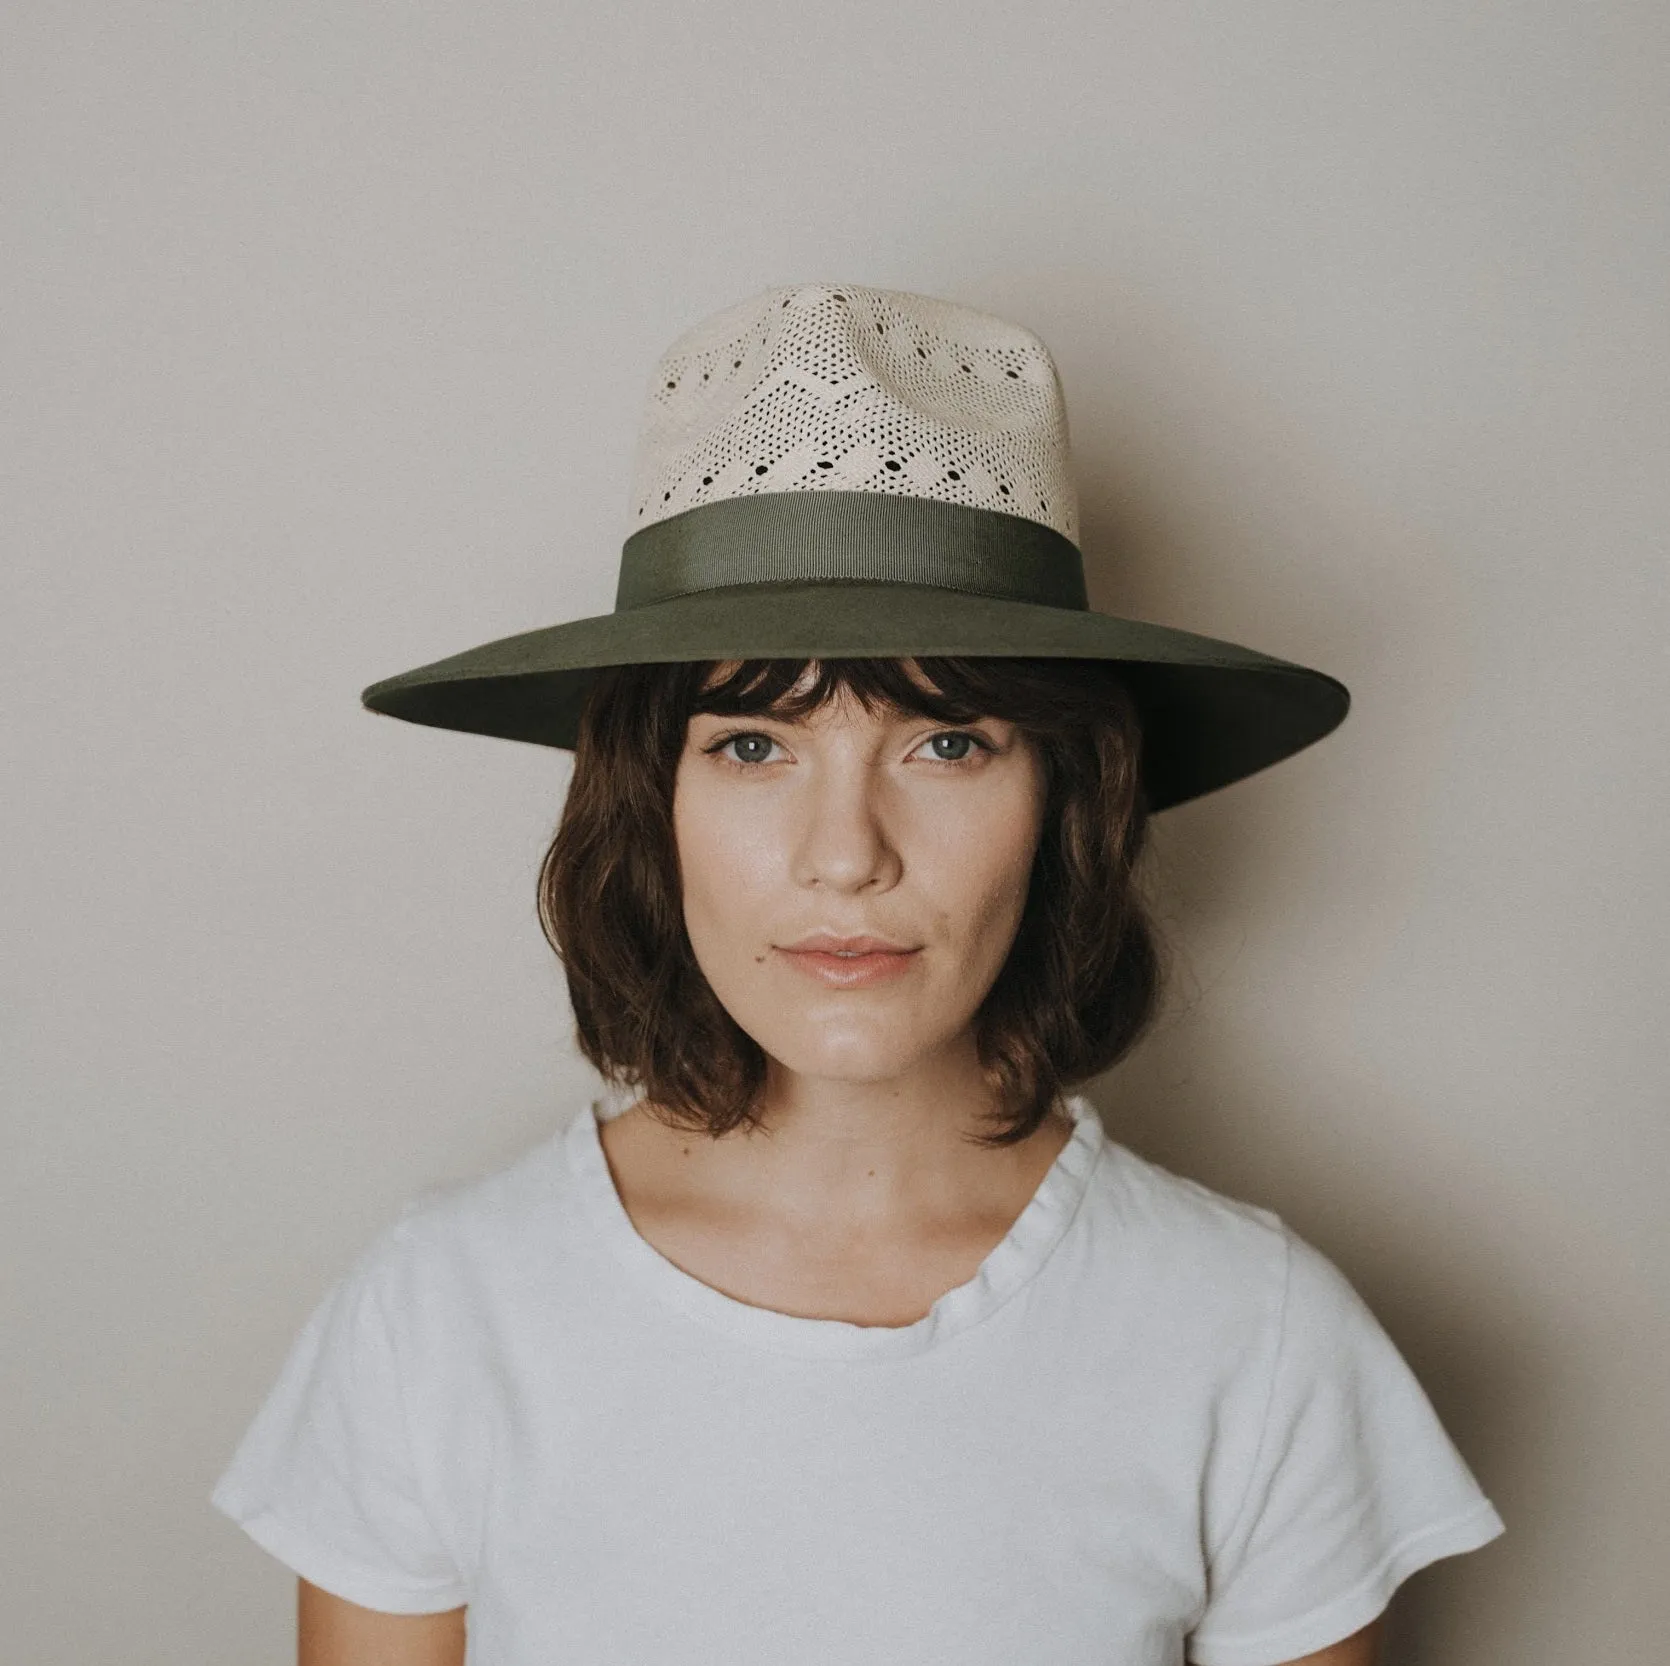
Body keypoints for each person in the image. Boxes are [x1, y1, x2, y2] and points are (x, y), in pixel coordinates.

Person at [210, 283, 1505, 1666]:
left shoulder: (1250, 1335)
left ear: (1066, 797)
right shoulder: (443, 1309)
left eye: (946, 742)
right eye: (754, 744)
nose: (846, 855)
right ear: (648, 798)